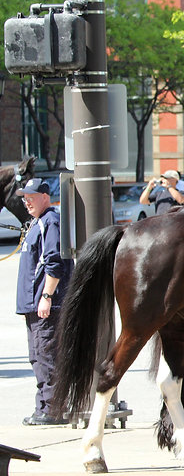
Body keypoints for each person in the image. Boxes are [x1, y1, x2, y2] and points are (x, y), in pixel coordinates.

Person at [15, 178, 73, 425]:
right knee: (38, 356)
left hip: (46, 305)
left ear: (45, 197)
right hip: (33, 305)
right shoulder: (38, 223)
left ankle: (53, 409)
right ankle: (44, 407)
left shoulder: (50, 222)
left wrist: (47, 297)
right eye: (24, 197)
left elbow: (54, 263)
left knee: (47, 356)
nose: (26, 200)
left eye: (30, 196)